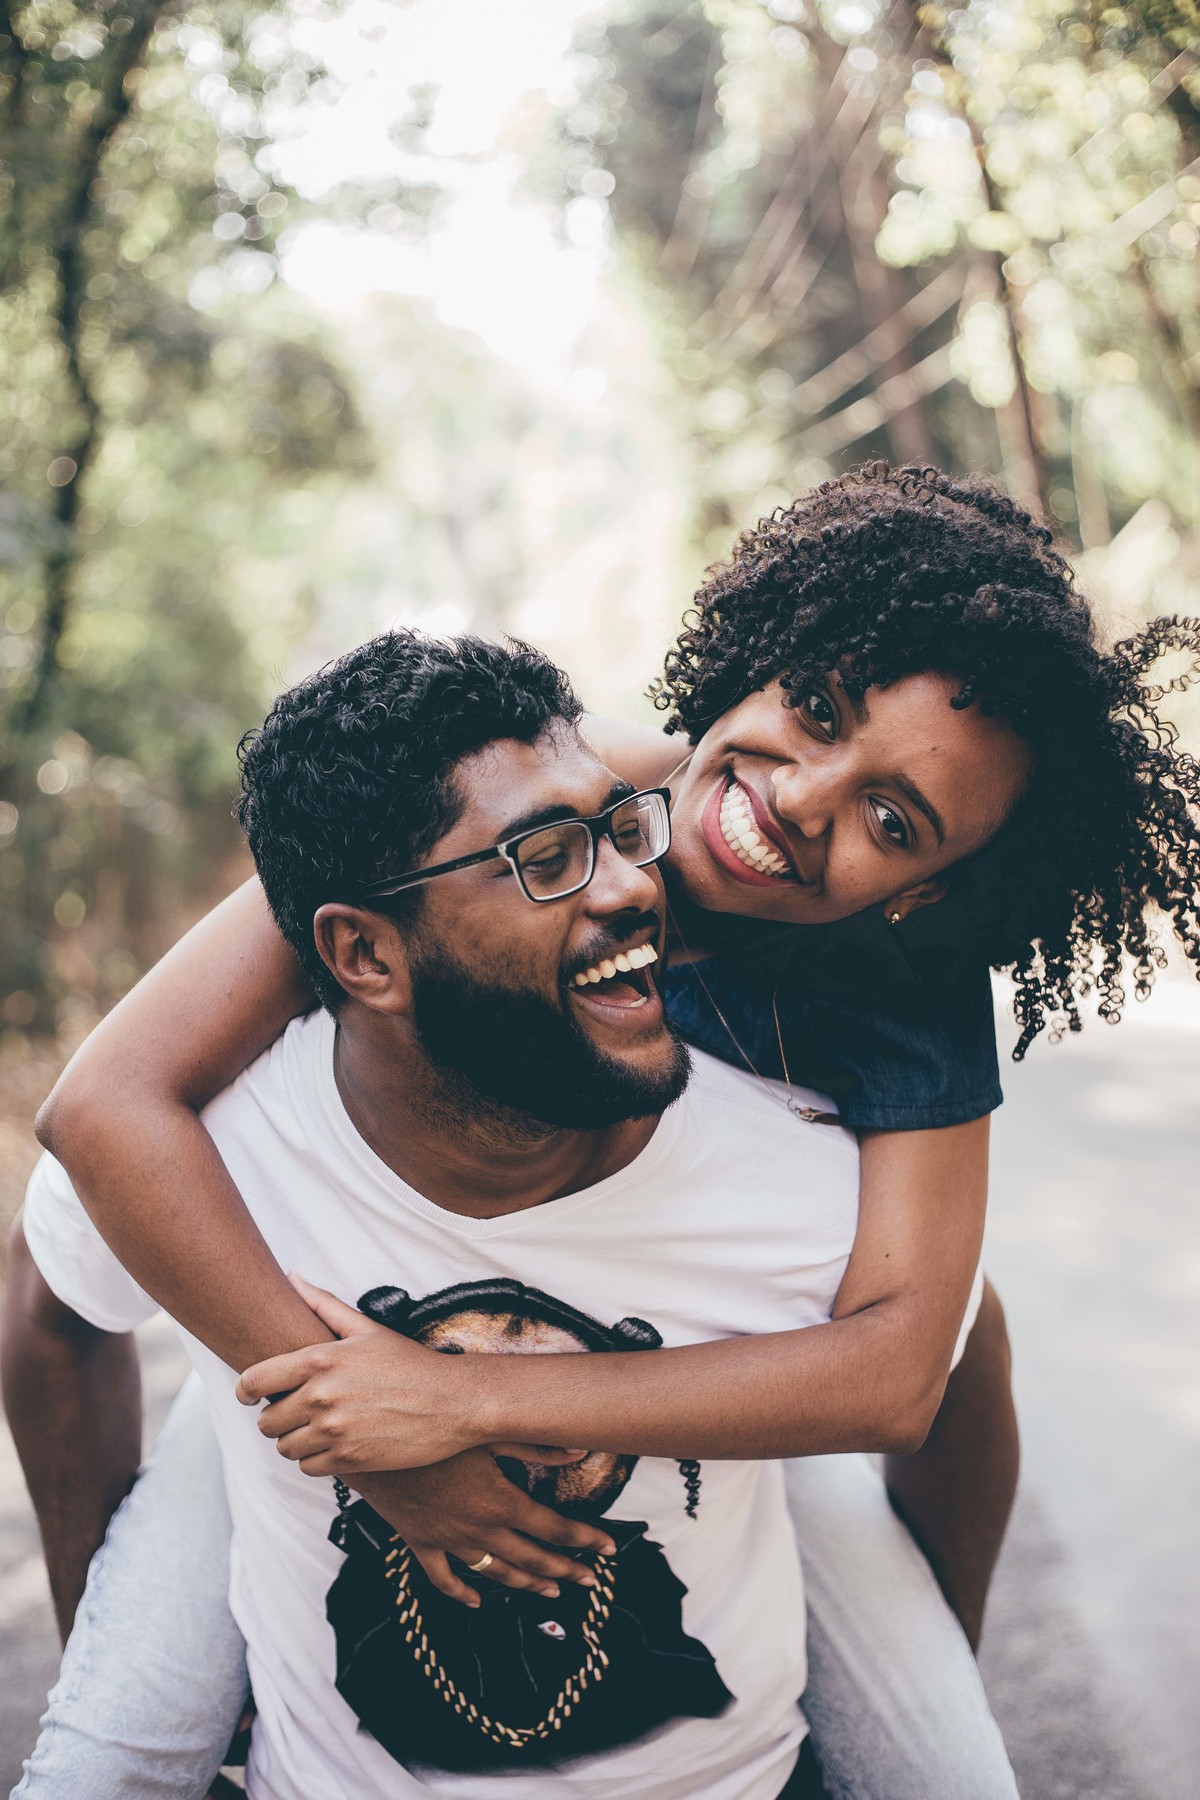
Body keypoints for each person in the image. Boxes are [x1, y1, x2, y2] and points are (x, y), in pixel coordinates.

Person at [24, 467, 1200, 1788]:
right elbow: (105, 1107)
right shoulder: (513, 829)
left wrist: (459, 1401)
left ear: (925, 900)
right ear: (757, 660)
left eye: (890, 819)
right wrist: (398, 1453)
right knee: (117, 1735)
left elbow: (911, 1367)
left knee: (941, 1762)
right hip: (318, 1335)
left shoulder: (904, 1002)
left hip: (728, 1363)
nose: (808, 797)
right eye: (815, 711)